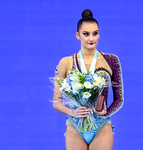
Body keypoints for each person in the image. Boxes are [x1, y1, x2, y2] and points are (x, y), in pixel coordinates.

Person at [53, 9, 124, 150]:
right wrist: (72, 112)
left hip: (101, 125)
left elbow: (119, 99)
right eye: (86, 34)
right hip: (75, 124)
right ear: (77, 35)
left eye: (95, 33)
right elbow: (56, 102)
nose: (91, 38)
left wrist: (106, 112)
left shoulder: (111, 60)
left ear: (99, 34)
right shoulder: (66, 62)